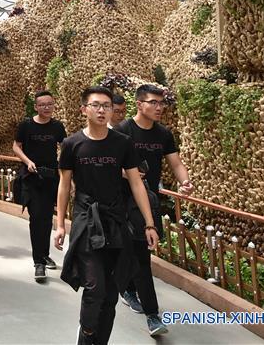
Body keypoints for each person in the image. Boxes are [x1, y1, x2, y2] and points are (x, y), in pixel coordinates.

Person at [54, 86, 158, 345]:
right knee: (95, 287)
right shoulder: (72, 144)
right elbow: (64, 185)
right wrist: (59, 225)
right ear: (84, 109)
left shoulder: (122, 143)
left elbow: (136, 183)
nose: (102, 110)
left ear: (113, 111)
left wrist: (149, 224)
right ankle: (87, 332)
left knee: (112, 292)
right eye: (96, 105)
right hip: (86, 220)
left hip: (115, 221)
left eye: (107, 106)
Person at [116, 84, 194, 337]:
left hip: (149, 201)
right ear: (140, 104)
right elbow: (110, 165)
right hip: (123, 201)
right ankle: (152, 314)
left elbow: (176, 162)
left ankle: (130, 291)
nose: (159, 107)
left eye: (162, 103)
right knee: (137, 255)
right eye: (154, 102)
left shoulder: (163, 133)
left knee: (140, 254)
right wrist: (126, 174)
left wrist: (185, 182)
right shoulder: (123, 131)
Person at [13, 90, 67, 283]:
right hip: (31, 178)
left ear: (54, 105)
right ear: (36, 106)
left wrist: (65, 170)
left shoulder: (57, 127)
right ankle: (39, 262)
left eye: (50, 104)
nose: (46, 107)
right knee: (36, 218)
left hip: (51, 178)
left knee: (45, 219)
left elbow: (65, 148)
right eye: (42, 104)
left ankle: (44, 254)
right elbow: (16, 146)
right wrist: (27, 161)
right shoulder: (26, 126)